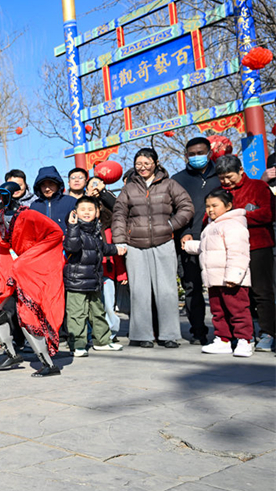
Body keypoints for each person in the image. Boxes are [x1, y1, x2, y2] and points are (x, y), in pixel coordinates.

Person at [0, 182, 65, 376]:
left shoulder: (29, 214)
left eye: (5, 193)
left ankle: (48, 364)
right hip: (8, 265)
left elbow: (56, 233)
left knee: (28, 314)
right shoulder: (0, 215)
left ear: (15, 193)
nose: (2, 197)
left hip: (29, 267)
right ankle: (11, 353)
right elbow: (2, 242)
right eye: (0, 193)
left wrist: (32, 257)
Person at [112, 148, 194, 348]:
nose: (142, 168)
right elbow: (119, 214)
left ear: (156, 163)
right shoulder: (128, 188)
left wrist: (171, 225)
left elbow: (186, 206)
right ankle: (142, 335)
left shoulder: (169, 184)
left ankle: (169, 335)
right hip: (135, 245)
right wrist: (120, 240)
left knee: (166, 291)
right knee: (139, 291)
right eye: (138, 164)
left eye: (147, 163)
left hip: (164, 241)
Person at [182, 189, 253, 357]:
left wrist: (233, 276)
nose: (210, 210)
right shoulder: (212, 226)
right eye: (207, 206)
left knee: (238, 310)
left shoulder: (233, 225)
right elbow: (207, 248)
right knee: (218, 311)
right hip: (214, 279)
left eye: (215, 205)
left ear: (228, 206)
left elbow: (238, 253)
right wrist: (190, 246)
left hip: (232, 280)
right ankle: (223, 340)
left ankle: (244, 340)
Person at [215, 154, 275, 352]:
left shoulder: (258, 187)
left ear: (241, 171)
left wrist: (238, 215)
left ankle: (267, 332)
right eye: (222, 177)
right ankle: (242, 334)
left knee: (262, 291)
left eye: (229, 176)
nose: (226, 181)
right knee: (237, 293)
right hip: (232, 251)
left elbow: (267, 213)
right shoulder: (220, 193)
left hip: (258, 246)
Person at [171, 136, 222, 345]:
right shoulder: (177, 180)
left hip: (219, 239)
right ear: (185, 156)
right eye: (191, 154)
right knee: (192, 286)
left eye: (200, 153)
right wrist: (184, 232)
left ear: (209, 153)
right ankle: (198, 330)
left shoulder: (221, 175)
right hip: (188, 240)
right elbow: (173, 210)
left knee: (220, 284)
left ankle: (225, 332)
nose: (196, 157)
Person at [63, 197, 125, 356]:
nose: (87, 212)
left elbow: (102, 248)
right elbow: (72, 246)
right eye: (82, 209)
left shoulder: (95, 231)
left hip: (94, 280)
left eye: (90, 209)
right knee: (77, 314)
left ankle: (102, 341)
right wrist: (72, 226)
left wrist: (116, 249)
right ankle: (77, 344)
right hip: (77, 281)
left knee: (98, 312)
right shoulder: (74, 230)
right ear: (75, 213)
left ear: (97, 212)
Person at [29, 166, 77, 233]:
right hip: (42, 242)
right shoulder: (34, 206)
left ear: (58, 185)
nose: (47, 189)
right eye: (43, 185)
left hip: (66, 242)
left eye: (51, 184)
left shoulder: (71, 202)